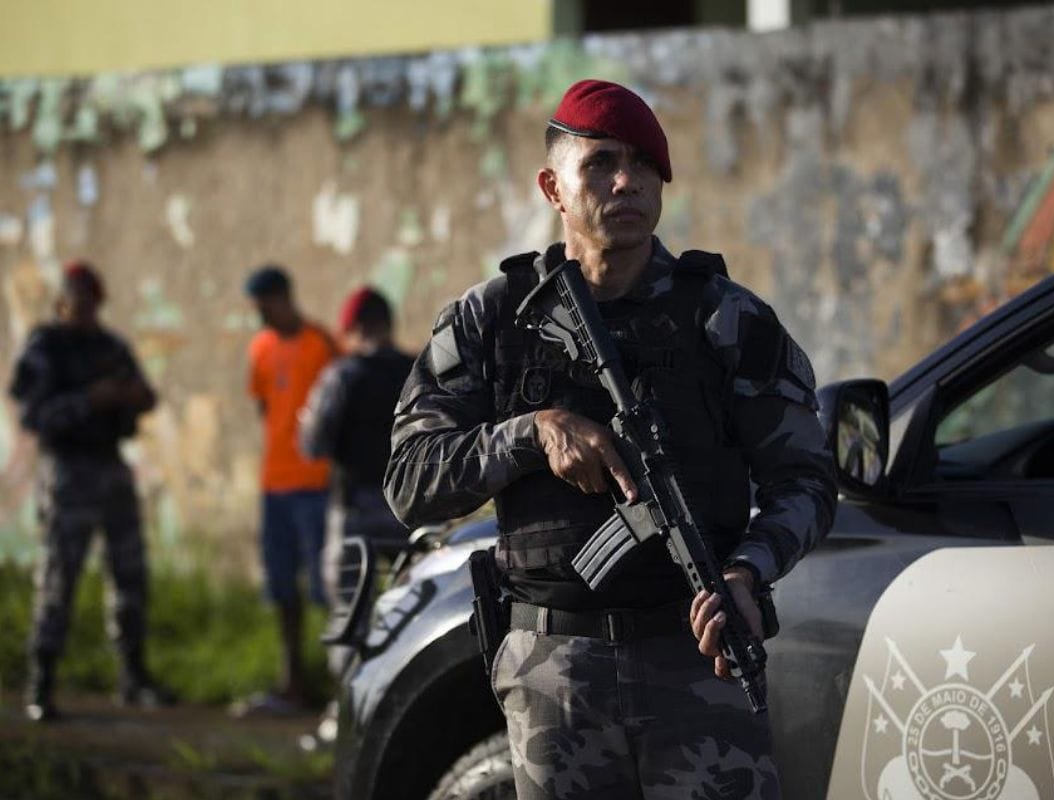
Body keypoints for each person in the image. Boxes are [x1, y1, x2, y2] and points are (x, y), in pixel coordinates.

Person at [384, 79, 837, 799]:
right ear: (552, 185)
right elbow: (411, 483)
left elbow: (808, 480)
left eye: (645, 164)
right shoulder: (490, 322)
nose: (627, 181)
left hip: (701, 662)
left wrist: (748, 575)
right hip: (555, 675)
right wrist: (533, 433)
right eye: (600, 162)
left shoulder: (726, 322)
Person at [9, 261, 175, 721]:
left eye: (93, 305)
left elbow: (145, 393)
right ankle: (41, 682)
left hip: (110, 465)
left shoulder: (110, 345)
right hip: (66, 470)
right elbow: (32, 416)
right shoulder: (46, 347)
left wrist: (134, 396)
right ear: (62, 301)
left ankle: (133, 676)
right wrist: (89, 400)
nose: (86, 313)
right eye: (79, 304)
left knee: (130, 573)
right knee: (59, 576)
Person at [242, 265, 336, 714]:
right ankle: (293, 684)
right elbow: (265, 407)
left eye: (264, 303)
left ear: (282, 297)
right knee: (282, 587)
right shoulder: (260, 347)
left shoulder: (320, 344)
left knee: (326, 588)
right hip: (274, 486)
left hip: (314, 486)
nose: (260, 314)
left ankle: (338, 690)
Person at [299, 286, 413, 653]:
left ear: (355, 327)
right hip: (409, 511)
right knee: (411, 611)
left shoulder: (343, 374)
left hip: (354, 511)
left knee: (350, 616)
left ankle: (349, 702)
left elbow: (313, 443)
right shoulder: (417, 371)